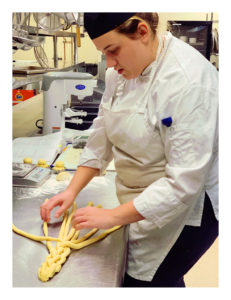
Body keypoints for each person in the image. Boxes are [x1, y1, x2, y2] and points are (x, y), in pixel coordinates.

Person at [40, 13, 219, 287]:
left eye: (113, 51)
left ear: (143, 31)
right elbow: (102, 134)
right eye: (103, 53)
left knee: (151, 280)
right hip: (140, 198)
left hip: (189, 210)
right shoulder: (119, 73)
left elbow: (184, 185)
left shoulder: (189, 83)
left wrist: (111, 216)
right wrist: (71, 190)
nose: (109, 64)